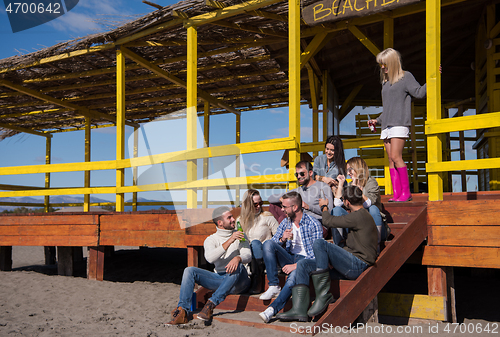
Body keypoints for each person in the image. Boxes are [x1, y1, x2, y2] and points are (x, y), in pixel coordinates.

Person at [277, 186, 378, 322]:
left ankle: (323, 294)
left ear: (347, 202)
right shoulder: (361, 215)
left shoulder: (358, 216)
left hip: (358, 265)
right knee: (303, 263)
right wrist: (332, 259)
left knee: (319, 243)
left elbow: (328, 221)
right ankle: (299, 309)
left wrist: (324, 207)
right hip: (352, 261)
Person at [166, 206, 251, 325]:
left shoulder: (240, 235)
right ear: (220, 223)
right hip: (221, 278)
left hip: (240, 281)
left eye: (232, 216)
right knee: (189, 270)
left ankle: (211, 304)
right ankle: (182, 311)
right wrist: (230, 240)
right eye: (229, 217)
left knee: (238, 265)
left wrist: (238, 258)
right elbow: (210, 258)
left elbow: (248, 255)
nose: (233, 219)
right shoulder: (211, 240)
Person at [368, 48, 426, 202]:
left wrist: (434, 79)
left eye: (384, 63)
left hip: (399, 123)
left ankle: (406, 193)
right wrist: (377, 120)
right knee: (390, 160)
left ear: (393, 62)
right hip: (386, 125)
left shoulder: (406, 77)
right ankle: (396, 194)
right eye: (380, 64)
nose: (382, 67)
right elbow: (388, 108)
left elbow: (420, 93)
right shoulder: (385, 83)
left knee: (396, 156)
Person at [258, 191, 323, 323]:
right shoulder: (286, 222)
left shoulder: (313, 223)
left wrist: (296, 266)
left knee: (293, 276)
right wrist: (283, 238)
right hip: (289, 257)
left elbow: (318, 253)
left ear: (295, 207)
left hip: (306, 260)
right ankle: (274, 285)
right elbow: (274, 243)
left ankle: (272, 309)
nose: (282, 210)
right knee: (268, 243)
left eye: (285, 207)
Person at [333, 157, 386, 247]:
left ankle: (376, 246)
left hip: (373, 226)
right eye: (347, 170)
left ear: (358, 168)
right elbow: (337, 203)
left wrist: (356, 191)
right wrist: (341, 184)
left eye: (350, 169)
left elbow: (370, 203)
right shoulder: (350, 185)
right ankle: (339, 246)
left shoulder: (371, 182)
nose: (348, 173)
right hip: (356, 225)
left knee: (373, 208)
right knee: (337, 210)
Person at [236, 189, 279, 294]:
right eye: (255, 204)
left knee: (255, 243)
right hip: (249, 256)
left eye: (261, 203)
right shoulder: (240, 220)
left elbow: (278, 236)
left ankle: (257, 279)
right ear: (248, 205)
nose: (259, 206)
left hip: (265, 256)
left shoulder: (267, 216)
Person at [267, 161, 333, 226]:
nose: (298, 177)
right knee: (273, 207)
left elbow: (330, 211)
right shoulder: (298, 190)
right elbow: (270, 198)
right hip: (300, 223)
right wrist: (282, 199)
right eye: (296, 174)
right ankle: (281, 233)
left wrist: (309, 207)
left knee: (284, 218)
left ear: (310, 173)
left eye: (302, 174)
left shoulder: (323, 187)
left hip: (317, 223)